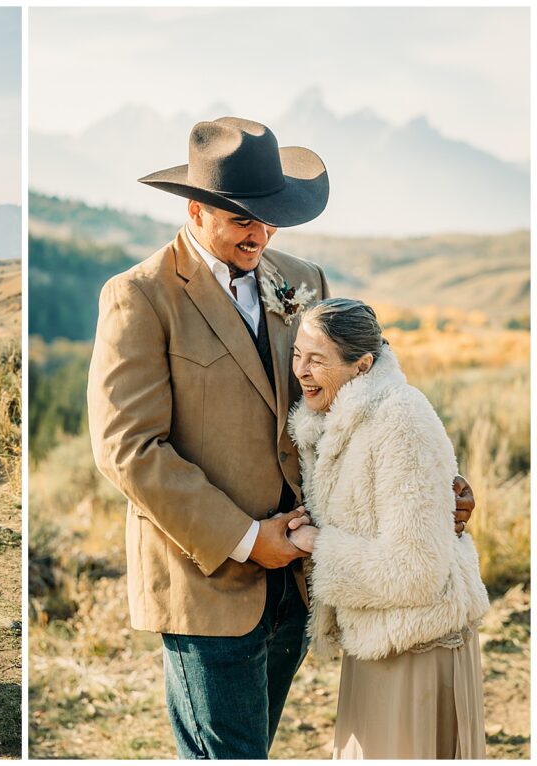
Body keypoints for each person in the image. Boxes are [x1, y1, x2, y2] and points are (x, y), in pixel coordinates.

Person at [86, 116, 476, 759]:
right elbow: (128, 448)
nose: (261, 234)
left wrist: (435, 485)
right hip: (205, 581)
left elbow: (357, 396)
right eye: (243, 219)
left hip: (299, 579)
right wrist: (245, 539)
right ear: (195, 209)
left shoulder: (302, 279)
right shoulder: (139, 296)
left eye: (269, 218)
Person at [286, 298, 488, 758]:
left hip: (420, 644)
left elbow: (414, 569)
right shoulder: (331, 423)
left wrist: (319, 545)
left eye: (317, 360)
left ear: (362, 366)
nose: (301, 370)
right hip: (374, 637)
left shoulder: (400, 419)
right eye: (297, 354)